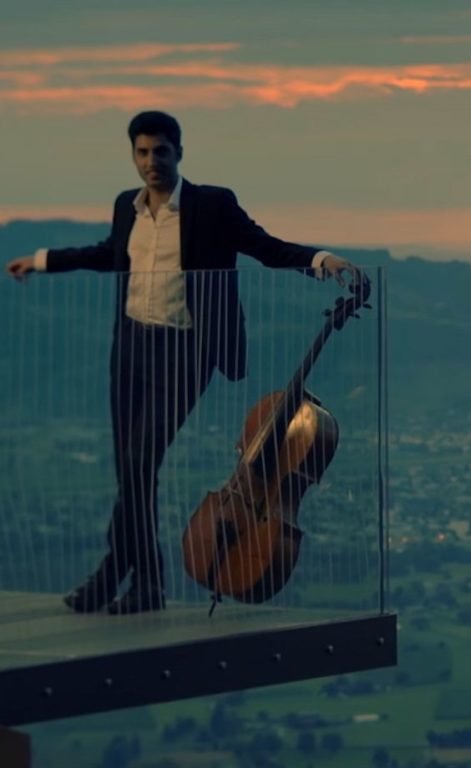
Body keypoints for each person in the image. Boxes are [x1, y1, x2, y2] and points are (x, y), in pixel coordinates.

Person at [6, 110, 367, 615]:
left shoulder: (212, 205)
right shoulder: (125, 207)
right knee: (130, 471)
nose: (151, 161)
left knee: (138, 465)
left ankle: (120, 576)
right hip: (130, 346)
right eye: (142, 152)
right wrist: (42, 260)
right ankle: (144, 584)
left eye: (161, 151)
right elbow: (108, 252)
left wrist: (320, 259)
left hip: (185, 352)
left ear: (179, 152)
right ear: (133, 155)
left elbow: (264, 247)